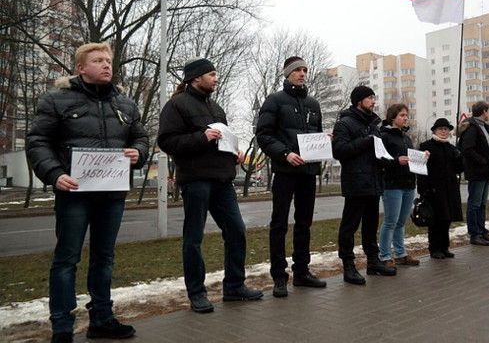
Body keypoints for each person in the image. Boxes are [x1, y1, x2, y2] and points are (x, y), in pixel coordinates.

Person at [26, 43, 149, 343]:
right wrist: (55, 175)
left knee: (104, 258)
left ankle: (102, 319)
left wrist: (139, 153)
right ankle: (62, 326)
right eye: (98, 60)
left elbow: (141, 136)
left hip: (112, 194)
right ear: (81, 68)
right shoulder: (56, 99)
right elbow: (38, 140)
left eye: (108, 60)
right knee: (67, 259)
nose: (106, 64)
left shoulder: (125, 103)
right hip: (74, 193)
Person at [157, 58, 263, 314]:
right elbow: (167, 141)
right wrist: (201, 137)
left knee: (237, 231)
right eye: (212, 74)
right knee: (194, 238)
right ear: (195, 78)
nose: (216, 78)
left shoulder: (216, 107)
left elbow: (222, 141)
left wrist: (234, 153)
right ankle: (197, 293)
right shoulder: (176, 105)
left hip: (222, 179)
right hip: (195, 179)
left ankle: (234, 287)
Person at [255, 56, 327, 298]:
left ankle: (302, 272)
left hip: (308, 172)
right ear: (287, 74)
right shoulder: (275, 100)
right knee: (279, 224)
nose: (302, 73)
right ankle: (279, 277)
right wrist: (285, 154)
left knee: (304, 224)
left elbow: (316, 135)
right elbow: (263, 135)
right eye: (297, 70)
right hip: (285, 171)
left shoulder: (313, 103)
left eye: (305, 69)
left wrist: (324, 143)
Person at [332, 85, 396, 285]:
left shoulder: (373, 125)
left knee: (371, 224)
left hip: (374, 181)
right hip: (356, 182)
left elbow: (377, 150)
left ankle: (373, 261)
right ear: (359, 101)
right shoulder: (345, 123)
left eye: (373, 98)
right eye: (369, 98)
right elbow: (339, 151)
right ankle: (348, 266)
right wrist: (366, 141)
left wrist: (386, 159)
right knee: (349, 226)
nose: (373, 101)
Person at [377, 103, 421, 268]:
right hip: (392, 185)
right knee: (390, 221)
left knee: (401, 222)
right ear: (393, 117)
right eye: (402, 115)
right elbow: (380, 159)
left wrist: (422, 158)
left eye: (406, 115)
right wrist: (396, 161)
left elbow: (410, 158)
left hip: (408, 183)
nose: (405, 118)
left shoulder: (406, 137)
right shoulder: (384, 136)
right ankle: (385, 255)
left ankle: (401, 254)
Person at [457, 101, 489, 246]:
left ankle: (482, 231)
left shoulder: (484, 126)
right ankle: (474, 234)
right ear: (484, 111)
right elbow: (467, 149)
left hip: (486, 172)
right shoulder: (471, 126)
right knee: (475, 203)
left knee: (482, 203)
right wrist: (483, 161)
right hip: (477, 171)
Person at [417, 118, 463, 259]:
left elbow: (459, 169)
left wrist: (459, 157)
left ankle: (444, 247)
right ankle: (435, 248)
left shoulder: (451, 148)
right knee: (435, 220)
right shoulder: (426, 146)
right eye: (441, 129)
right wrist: (423, 190)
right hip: (433, 189)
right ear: (434, 131)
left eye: (446, 129)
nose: (444, 131)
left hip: (449, 188)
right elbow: (420, 168)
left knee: (446, 219)